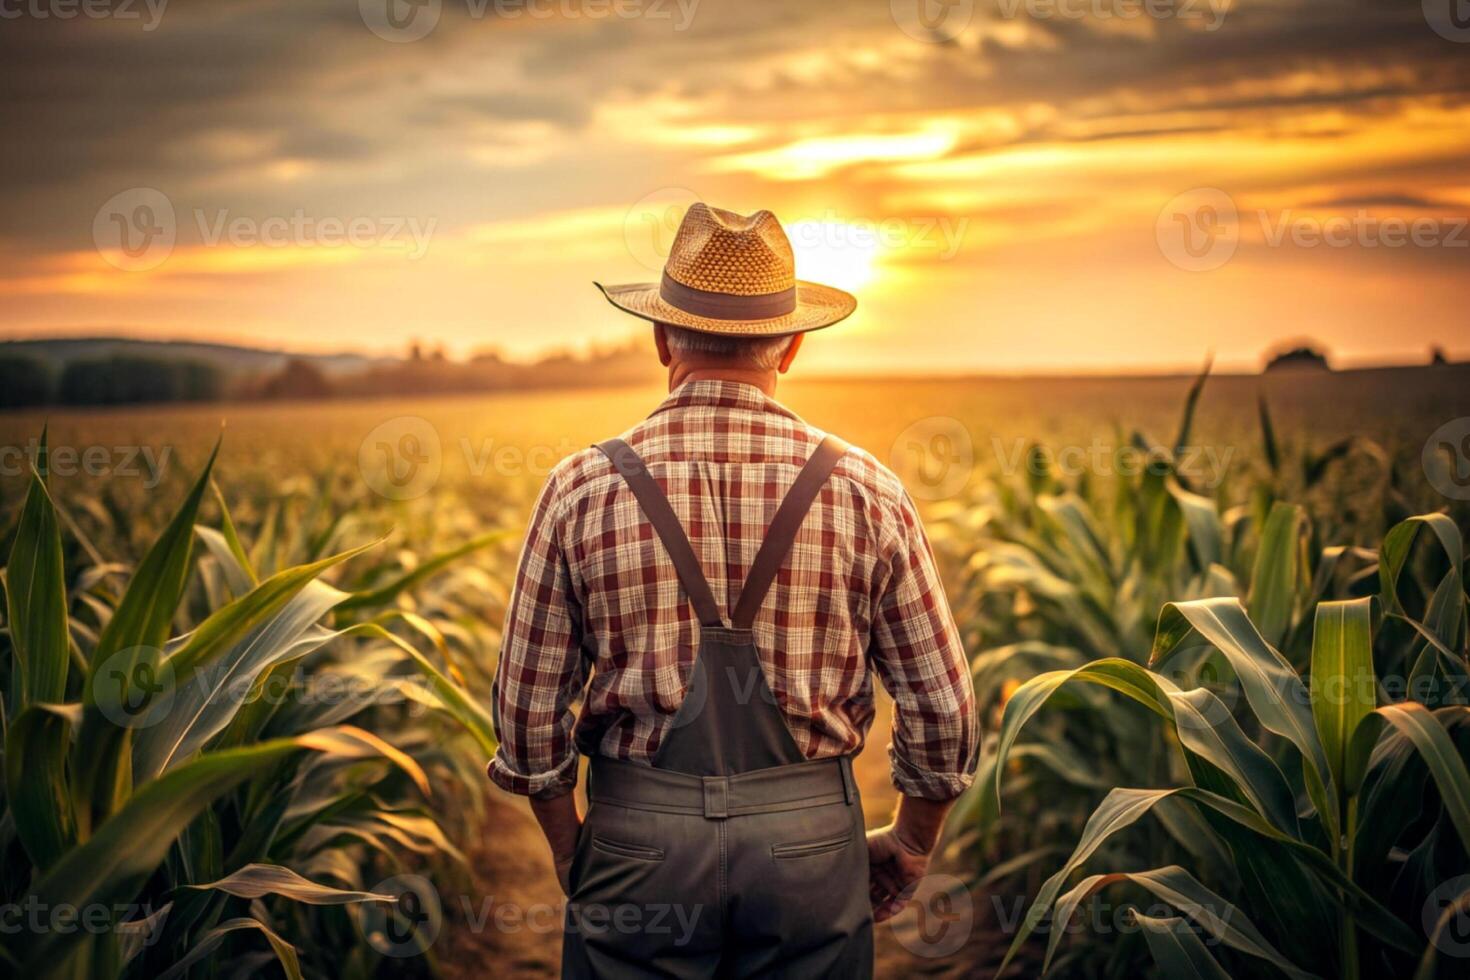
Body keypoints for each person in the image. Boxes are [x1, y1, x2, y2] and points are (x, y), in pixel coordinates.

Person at [488, 203, 978, 978]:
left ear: (659, 339)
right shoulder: (866, 489)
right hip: (809, 846)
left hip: (638, 841)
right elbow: (945, 710)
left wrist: (571, 846)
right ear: (789, 347)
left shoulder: (580, 488)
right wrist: (913, 842)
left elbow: (525, 716)